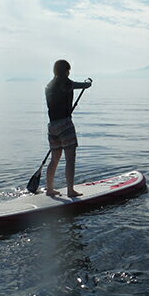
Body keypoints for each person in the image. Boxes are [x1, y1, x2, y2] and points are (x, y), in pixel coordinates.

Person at [44, 60, 92, 197]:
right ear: (65, 71)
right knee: (70, 159)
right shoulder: (66, 83)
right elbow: (82, 85)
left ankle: (49, 189)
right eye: (68, 70)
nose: (69, 73)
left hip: (52, 126)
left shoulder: (48, 86)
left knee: (55, 158)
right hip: (65, 124)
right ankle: (71, 191)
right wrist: (88, 83)